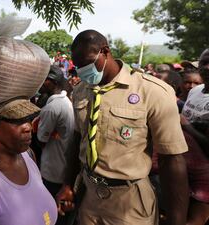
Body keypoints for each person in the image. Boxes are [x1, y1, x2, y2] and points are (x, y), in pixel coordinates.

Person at [56, 30, 189, 225]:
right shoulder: (81, 90)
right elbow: (78, 139)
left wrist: (176, 220)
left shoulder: (152, 92)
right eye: (79, 66)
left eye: (87, 63)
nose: (83, 70)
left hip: (129, 203)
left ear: (105, 51)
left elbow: (172, 159)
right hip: (89, 196)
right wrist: (68, 183)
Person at [37, 65, 75, 225]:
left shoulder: (52, 108)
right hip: (62, 167)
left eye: (42, 80)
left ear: (50, 81)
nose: (38, 83)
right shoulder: (65, 101)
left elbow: (40, 140)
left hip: (52, 170)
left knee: (50, 211)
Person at [180, 49, 209, 225]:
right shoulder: (196, 90)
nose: (207, 67)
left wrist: (186, 126)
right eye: (204, 62)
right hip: (181, 166)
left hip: (204, 175)